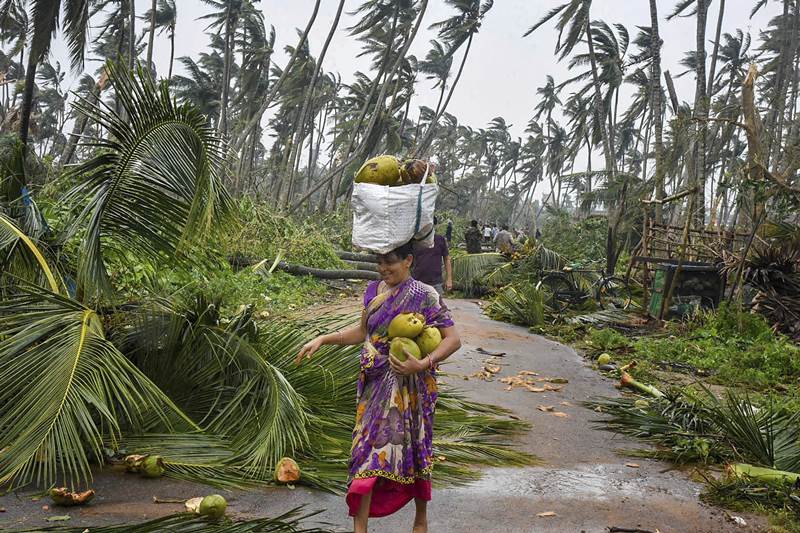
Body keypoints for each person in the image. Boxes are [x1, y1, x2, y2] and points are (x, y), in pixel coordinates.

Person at [296, 241, 461, 533]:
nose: (384, 268)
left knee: (415, 453)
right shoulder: (373, 292)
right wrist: (323, 339)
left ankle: (420, 519)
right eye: (379, 262)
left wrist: (423, 364)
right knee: (365, 457)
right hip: (373, 388)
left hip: (411, 390)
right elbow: (363, 332)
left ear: (408, 260)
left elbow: (452, 339)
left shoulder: (425, 295)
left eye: (391, 262)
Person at [414, 216, 453, 295]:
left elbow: (447, 259)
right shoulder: (416, 240)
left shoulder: (440, 239)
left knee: (437, 305)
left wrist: (449, 279)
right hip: (418, 281)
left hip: (436, 282)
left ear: (434, 225)